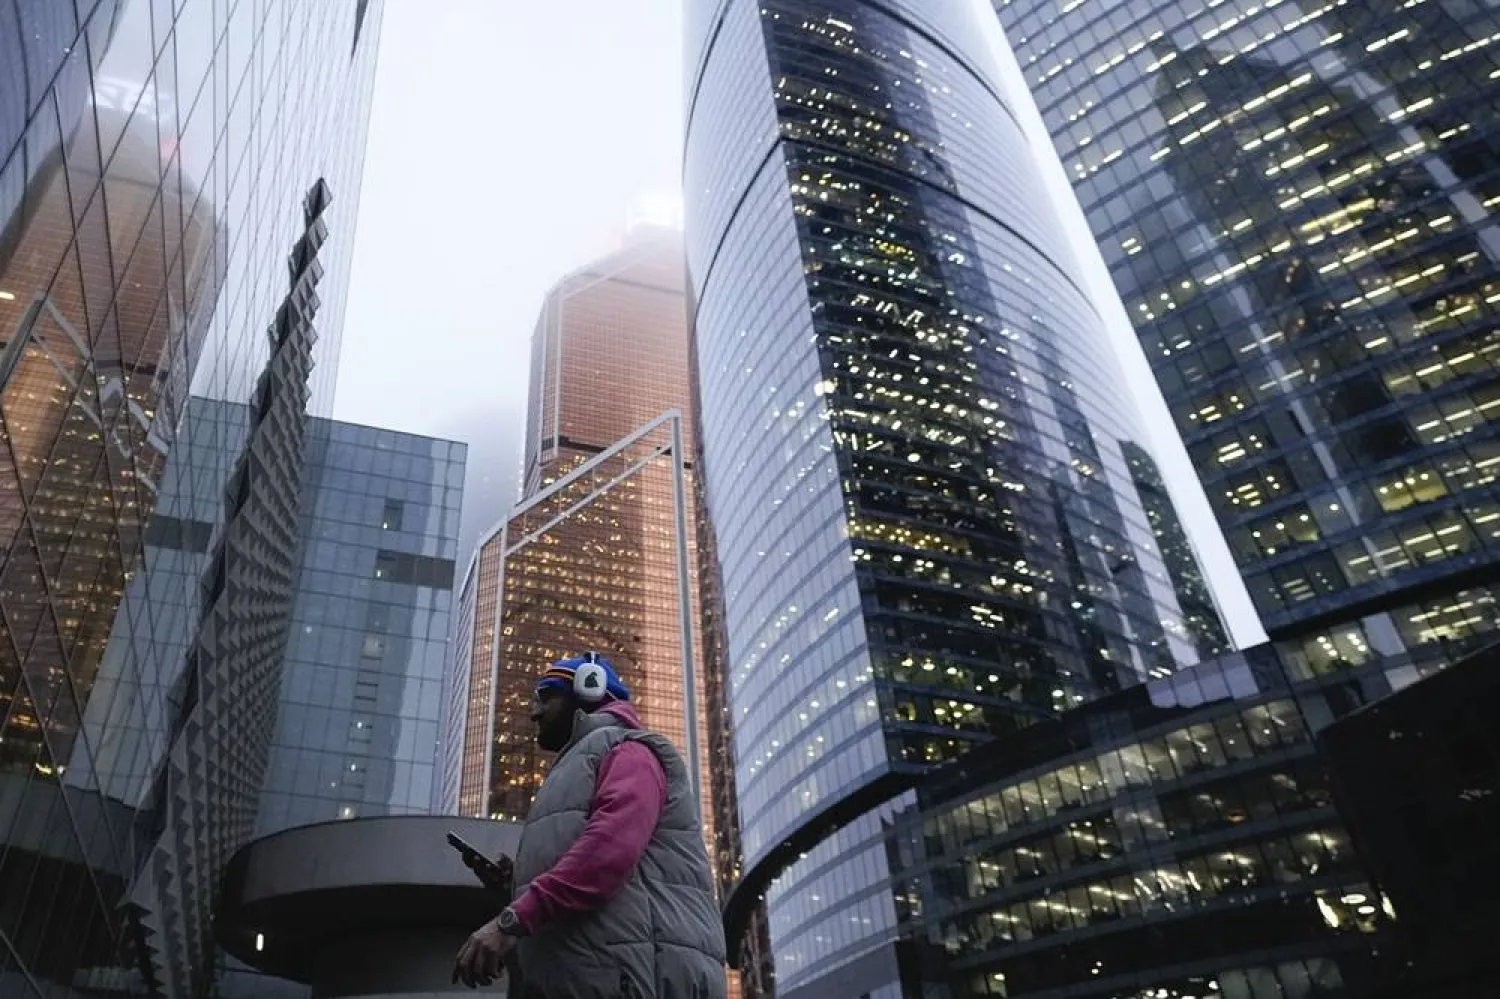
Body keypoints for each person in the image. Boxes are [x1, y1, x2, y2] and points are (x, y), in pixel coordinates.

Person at [453, 652, 727, 997]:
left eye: (546, 696)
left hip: (634, 981)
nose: (534, 711)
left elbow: (608, 853)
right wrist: (514, 886)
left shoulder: (628, 751)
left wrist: (512, 921)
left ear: (589, 688)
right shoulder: (582, 762)